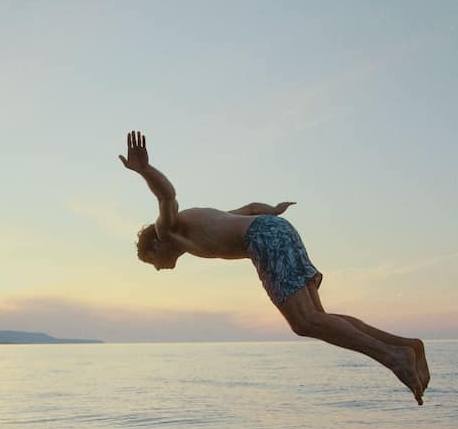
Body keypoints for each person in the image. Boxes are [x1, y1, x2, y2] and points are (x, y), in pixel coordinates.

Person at [119, 130, 430, 405]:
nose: (158, 269)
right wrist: (274, 211)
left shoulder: (167, 230)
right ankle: (406, 345)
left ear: (155, 246)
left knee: (304, 323)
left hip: (263, 238)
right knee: (318, 318)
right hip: (277, 230)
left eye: (152, 262)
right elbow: (251, 209)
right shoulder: (204, 220)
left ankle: (393, 358)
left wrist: (145, 170)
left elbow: (167, 195)